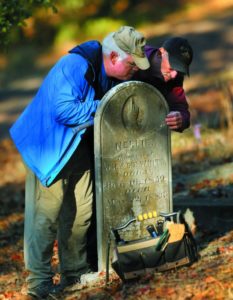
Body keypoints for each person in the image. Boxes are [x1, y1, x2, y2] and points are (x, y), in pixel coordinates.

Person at [9, 26, 150, 298]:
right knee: (45, 218)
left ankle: (74, 273)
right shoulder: (76, 64)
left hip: (77, 147)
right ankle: (38, 286)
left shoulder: (112, 72)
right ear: (113, 59)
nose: (136, 70)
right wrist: (106, 103)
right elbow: (64, 110)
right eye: (133, 64)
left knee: (81, 213)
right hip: (49, 148)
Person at [134, 36, 193, 132]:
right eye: (172, 67)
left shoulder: (176, 76)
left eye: (179, 70)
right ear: (161, 52)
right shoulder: (135, 60)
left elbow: (179, 106)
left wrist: (180, 119)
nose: (174, 75)